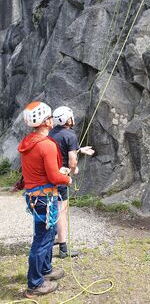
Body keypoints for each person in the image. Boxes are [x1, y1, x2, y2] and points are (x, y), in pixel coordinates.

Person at [18, 101, 72, 299]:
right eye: (49, 117)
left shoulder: (28, 142)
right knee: (42, 240)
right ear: (44, 122)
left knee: (46, 236)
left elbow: (42, 172)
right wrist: (67, 177)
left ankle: (46, 269)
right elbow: (54, 177)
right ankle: (35, 283)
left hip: (35, 197)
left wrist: (58, 173)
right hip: (45, 198)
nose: (51, 120)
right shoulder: (46, 145)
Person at [49, 106, 95, 258]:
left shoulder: (51, 133)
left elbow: (61, 147)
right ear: (67, 119)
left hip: (50, 177)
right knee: (62, 211)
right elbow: (72, 161)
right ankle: (63, 249)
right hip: (61, 177)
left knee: (52, 208)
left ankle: (52, 238)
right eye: (71, 116)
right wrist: (73, 170)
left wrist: (79, 149)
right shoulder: (70, 135)